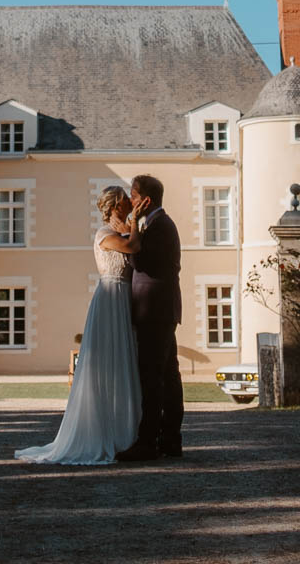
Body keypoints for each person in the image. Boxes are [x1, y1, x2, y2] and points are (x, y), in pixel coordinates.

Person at [14, 186, 143, 465]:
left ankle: (125, 431)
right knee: (108, 361)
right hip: (110, 298)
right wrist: (136, 224)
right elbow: (133, 247)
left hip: (124, 300)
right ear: (114, 206)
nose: (128, 205)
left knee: (122, 362)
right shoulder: (105, 235)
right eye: (124, 201)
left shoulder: (120, 232)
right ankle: (102, 432)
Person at [114, 173, 184, 461]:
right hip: (161, 310)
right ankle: (169, 440)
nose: (130, 201)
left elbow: (139, 259)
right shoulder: (155, 224)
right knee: (167, 376)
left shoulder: (159, 226)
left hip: (154, 310)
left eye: (133, 195)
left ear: (146, 199)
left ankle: (148, 443)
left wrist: (129, 229)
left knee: (153, 378)